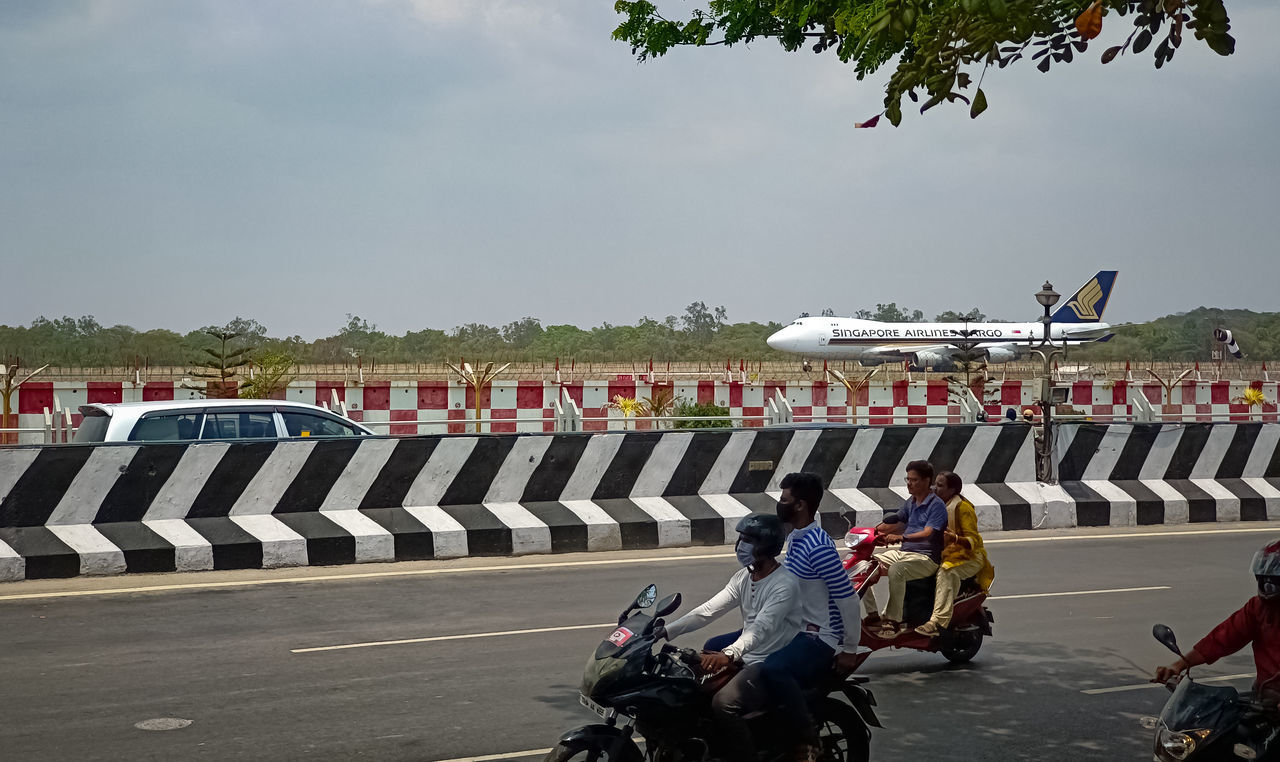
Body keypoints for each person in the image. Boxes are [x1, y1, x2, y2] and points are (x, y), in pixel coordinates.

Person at [660, 513, 799, 761]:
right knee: (685, 684)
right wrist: (664, 631)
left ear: (766, 546)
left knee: (724, 704)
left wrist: (729, 654)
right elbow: (707, 611)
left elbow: (761, 628)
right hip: (747, 653)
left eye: (749, 540)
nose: (741, 546)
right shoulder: (744, 576)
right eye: (741, 539)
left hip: (767, 659)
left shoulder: (784, 584)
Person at [766, 472, 863, 762]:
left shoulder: (819, 547)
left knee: (773, 669)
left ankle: (806, 737)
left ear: (800, 505)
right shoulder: (796, 538)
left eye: (784, 500)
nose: (779, 504)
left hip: (818, 636)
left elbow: (847, 598)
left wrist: (849, 648)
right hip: (794, 628)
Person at [1153, 538, 1280, 704]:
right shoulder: (1258, 608)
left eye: (1274, 580)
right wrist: (1179, 665)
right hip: (1265, 700)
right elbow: (1221, 639)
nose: (1268, 585)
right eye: (1265, 578)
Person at [873, 460, 949, 638]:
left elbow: (928, 533)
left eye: (914, 480)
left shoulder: (936, 505)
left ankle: (893, 621)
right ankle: (871, 616)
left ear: (926, 481)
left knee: (897, 570)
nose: (909, 483)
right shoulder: (911, 502)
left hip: (926, 558)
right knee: (866, 565)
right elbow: (895, 522)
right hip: (905, 553)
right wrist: (871, 532)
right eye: (907, 479)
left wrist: (902, 537)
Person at [915, 471, 995, 637]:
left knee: (947, 571)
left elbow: (972, 540)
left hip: (970, 557)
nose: (935, 488)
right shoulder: (934, 505)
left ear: (952, 490)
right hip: (945, 553)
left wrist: (955, 538)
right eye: (935, 484)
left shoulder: (962, 508)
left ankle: (937, 622)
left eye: (940, 485)